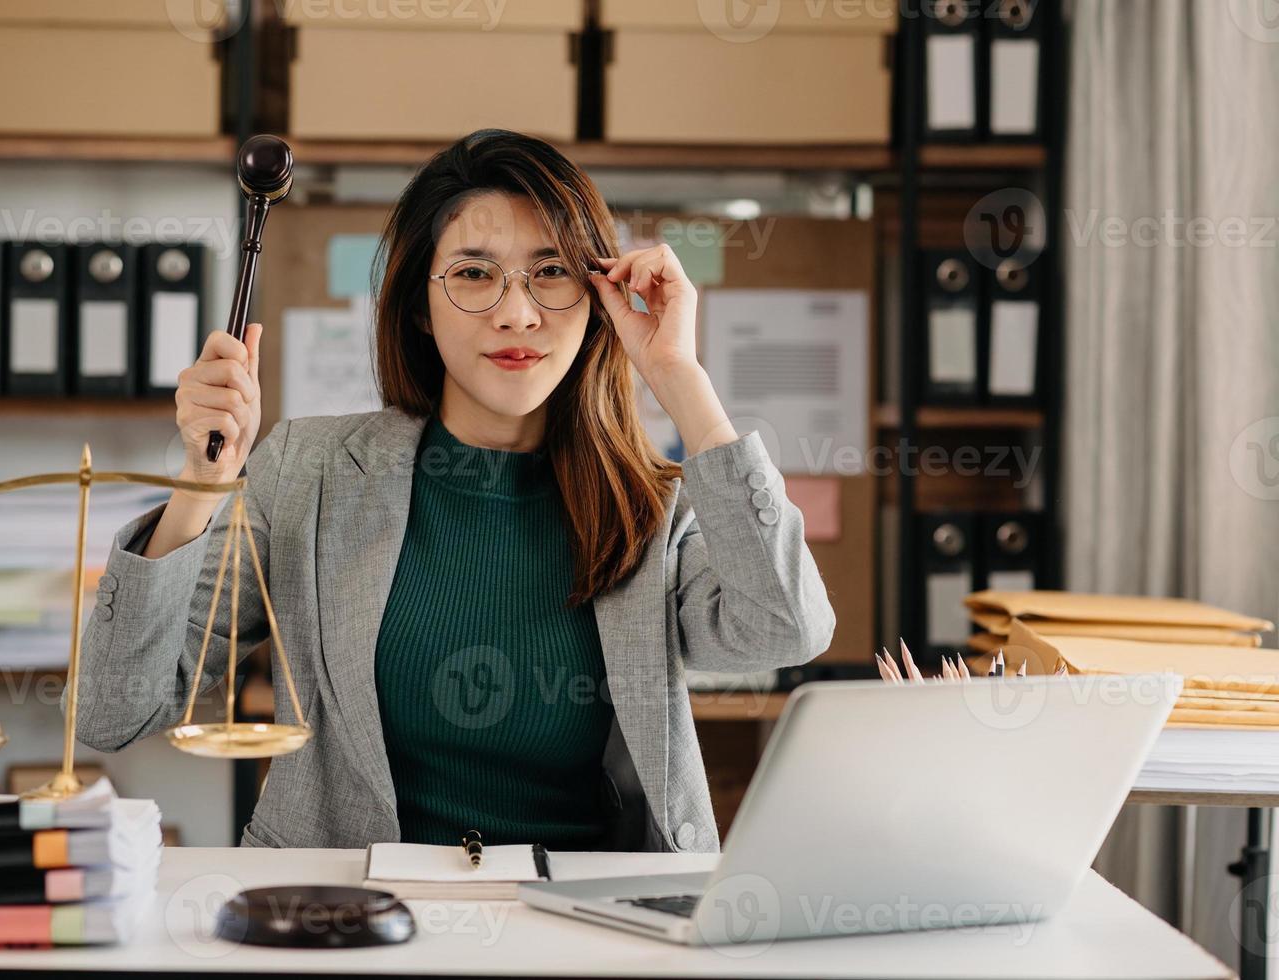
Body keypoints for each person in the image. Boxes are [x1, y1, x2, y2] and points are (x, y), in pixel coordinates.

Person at [71, 129, 835, 852]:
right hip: (353, 913)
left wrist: (680, 379)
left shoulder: (649, 508)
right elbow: (115, 708)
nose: (516, 312)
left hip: (586, 915)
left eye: (552, 272)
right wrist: (201, 486)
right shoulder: (312, 470)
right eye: (473, 273)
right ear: (419, 309)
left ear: (598, 299)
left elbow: (786, 629)